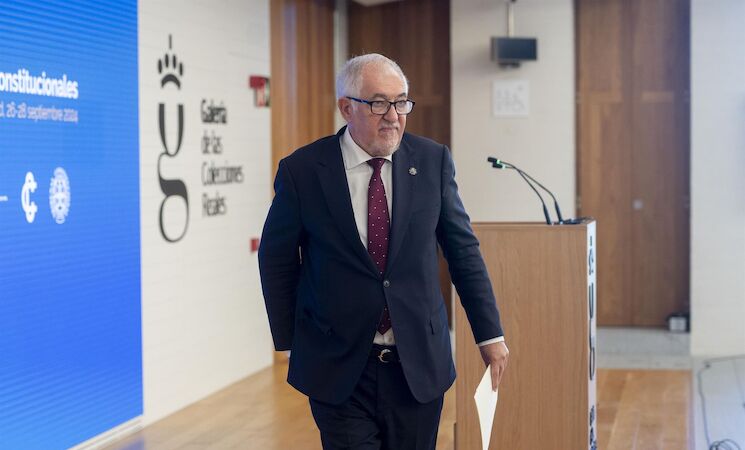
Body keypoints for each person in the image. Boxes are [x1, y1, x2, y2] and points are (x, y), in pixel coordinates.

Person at [259, 53, 508, 450]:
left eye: (401, 102)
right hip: (338, 364)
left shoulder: (432, 162)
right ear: (346, 108)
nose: (393, 116)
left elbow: (463, 251)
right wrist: (290, 341)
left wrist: (489, 333)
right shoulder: (303, 170)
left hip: (418, 365)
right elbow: (277, 259)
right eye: (378, 103)